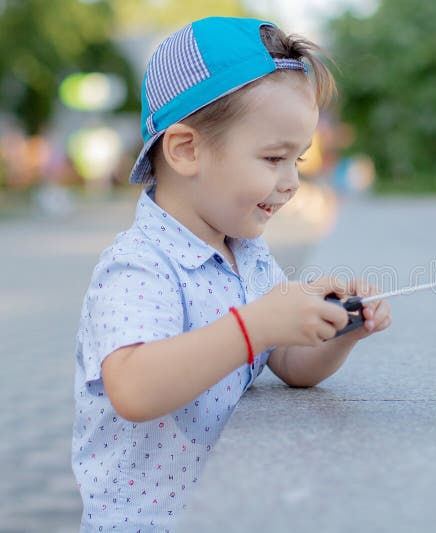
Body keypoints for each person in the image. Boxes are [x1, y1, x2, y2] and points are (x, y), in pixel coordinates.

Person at [71, 17, 391, 532]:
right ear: (185, 150)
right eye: (273, 158)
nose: (290, 183)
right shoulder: (139, 265)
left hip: (226, 508)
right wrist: (256, 324)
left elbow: (287, 361)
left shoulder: (249, 253)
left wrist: (337, 329)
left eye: (299, 159)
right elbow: (133, 388)